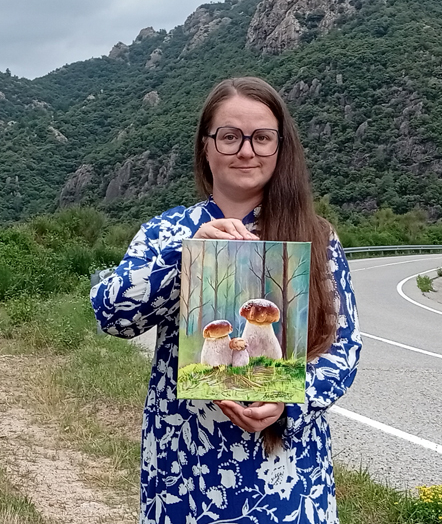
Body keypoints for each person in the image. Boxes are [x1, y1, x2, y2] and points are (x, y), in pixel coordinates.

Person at [90, 76, 361, 524]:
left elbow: (343, 349)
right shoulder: (166, 233)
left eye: (262, 138)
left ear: (280, 147)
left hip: (284, 467)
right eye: (230, 136)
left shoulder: (315, 236)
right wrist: (183, 259)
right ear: (206, 146)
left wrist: (289, 402)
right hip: (184, 460)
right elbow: (112, 315)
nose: (246, 150)